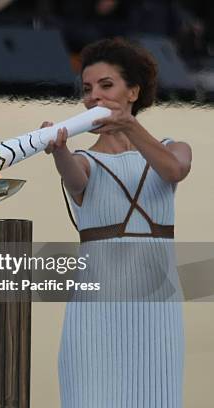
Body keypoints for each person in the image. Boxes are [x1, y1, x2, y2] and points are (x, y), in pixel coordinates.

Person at [42, 38, 191, 407]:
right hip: (96, 313)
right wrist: (59, 150)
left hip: (157, 310)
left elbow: (174, 170)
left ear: (133, 92)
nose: (94, 97)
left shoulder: (173, 148)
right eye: (88, 89)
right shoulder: (84, 161)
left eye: (106, 86)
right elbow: (74, 178)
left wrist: (129, 124)